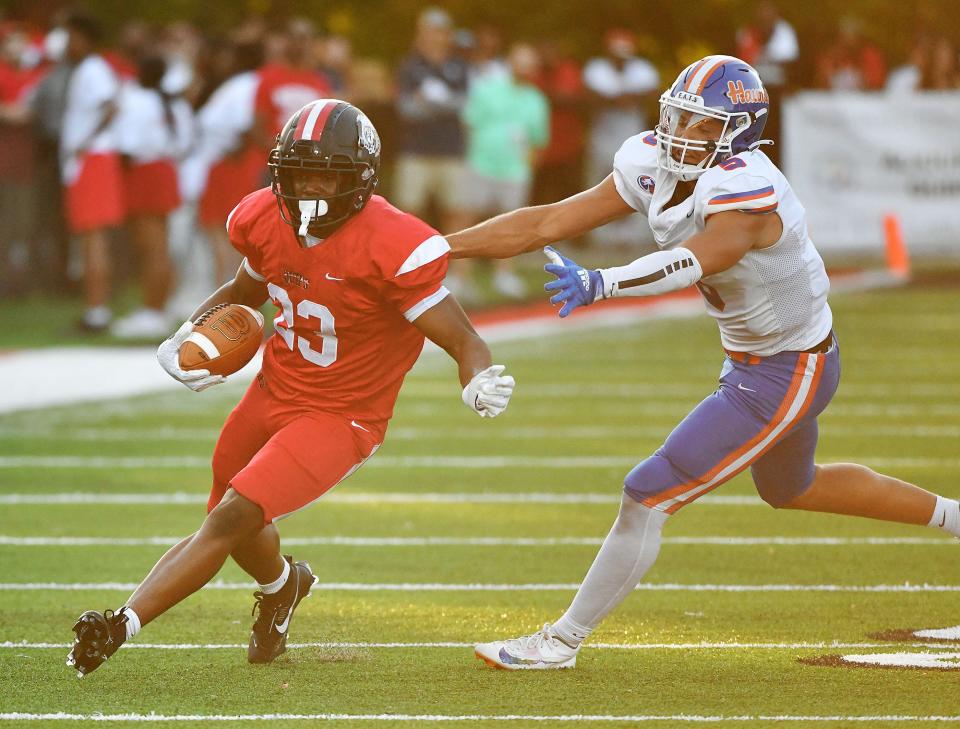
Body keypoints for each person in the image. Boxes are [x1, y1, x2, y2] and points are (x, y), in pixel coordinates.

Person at [446, 55, 960, 669]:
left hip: (787, 367)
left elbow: (700, 257)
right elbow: (549, 222)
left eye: (701, 124)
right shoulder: (648, 163)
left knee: (647, 494)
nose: (681, 134)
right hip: (760, 358)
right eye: (679, 116)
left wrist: (603, 282)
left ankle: (561, 641)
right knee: (794, 488)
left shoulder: (746, 185)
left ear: (738, 131)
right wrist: (439, 247)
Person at [66, 99, 516, 677]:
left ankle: (121, 622)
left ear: (358, 177)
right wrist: (187, 335)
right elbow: (243, 290)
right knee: (231, 520)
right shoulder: (262, 217)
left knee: (228, 519)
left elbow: (463, 338)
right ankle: (283, 585)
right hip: (273, 392)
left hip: (343, 415)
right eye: (299, 174)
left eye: (326, 173)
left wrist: (477, 377)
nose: (310, 188)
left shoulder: (392, 241)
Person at [112, 54, 194, 339]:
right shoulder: (176, 103)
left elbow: (127, 144)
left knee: (151, 246)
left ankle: (153, 311)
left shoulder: (136, 100)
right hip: (166, 170)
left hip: (144, 171)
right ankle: (159, 307)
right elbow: (184, 143)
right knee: (159, 244)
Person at [461, 42, 549, 299]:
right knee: (467, 217)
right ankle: (460, 276)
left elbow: (538, 140)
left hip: (515, 170)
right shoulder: (487, 89)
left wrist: (527, 168)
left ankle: (504, 274)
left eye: (529, 63)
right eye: (520, 61)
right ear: (510, 62)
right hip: (480, 162)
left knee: (512, 223)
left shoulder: (536, 99)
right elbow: (468, 124)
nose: (524, 68)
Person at [59, 12, 125, 332]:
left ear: (84, 37)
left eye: (71, 36)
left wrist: (84, 140)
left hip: (93, 158)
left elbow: (111, 105)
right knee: (89, 238)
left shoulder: (92, 68)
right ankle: (94, 308)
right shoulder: (88, 68)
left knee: (93, 237)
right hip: (91, 158)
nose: (67, 44)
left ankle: (97, 310)